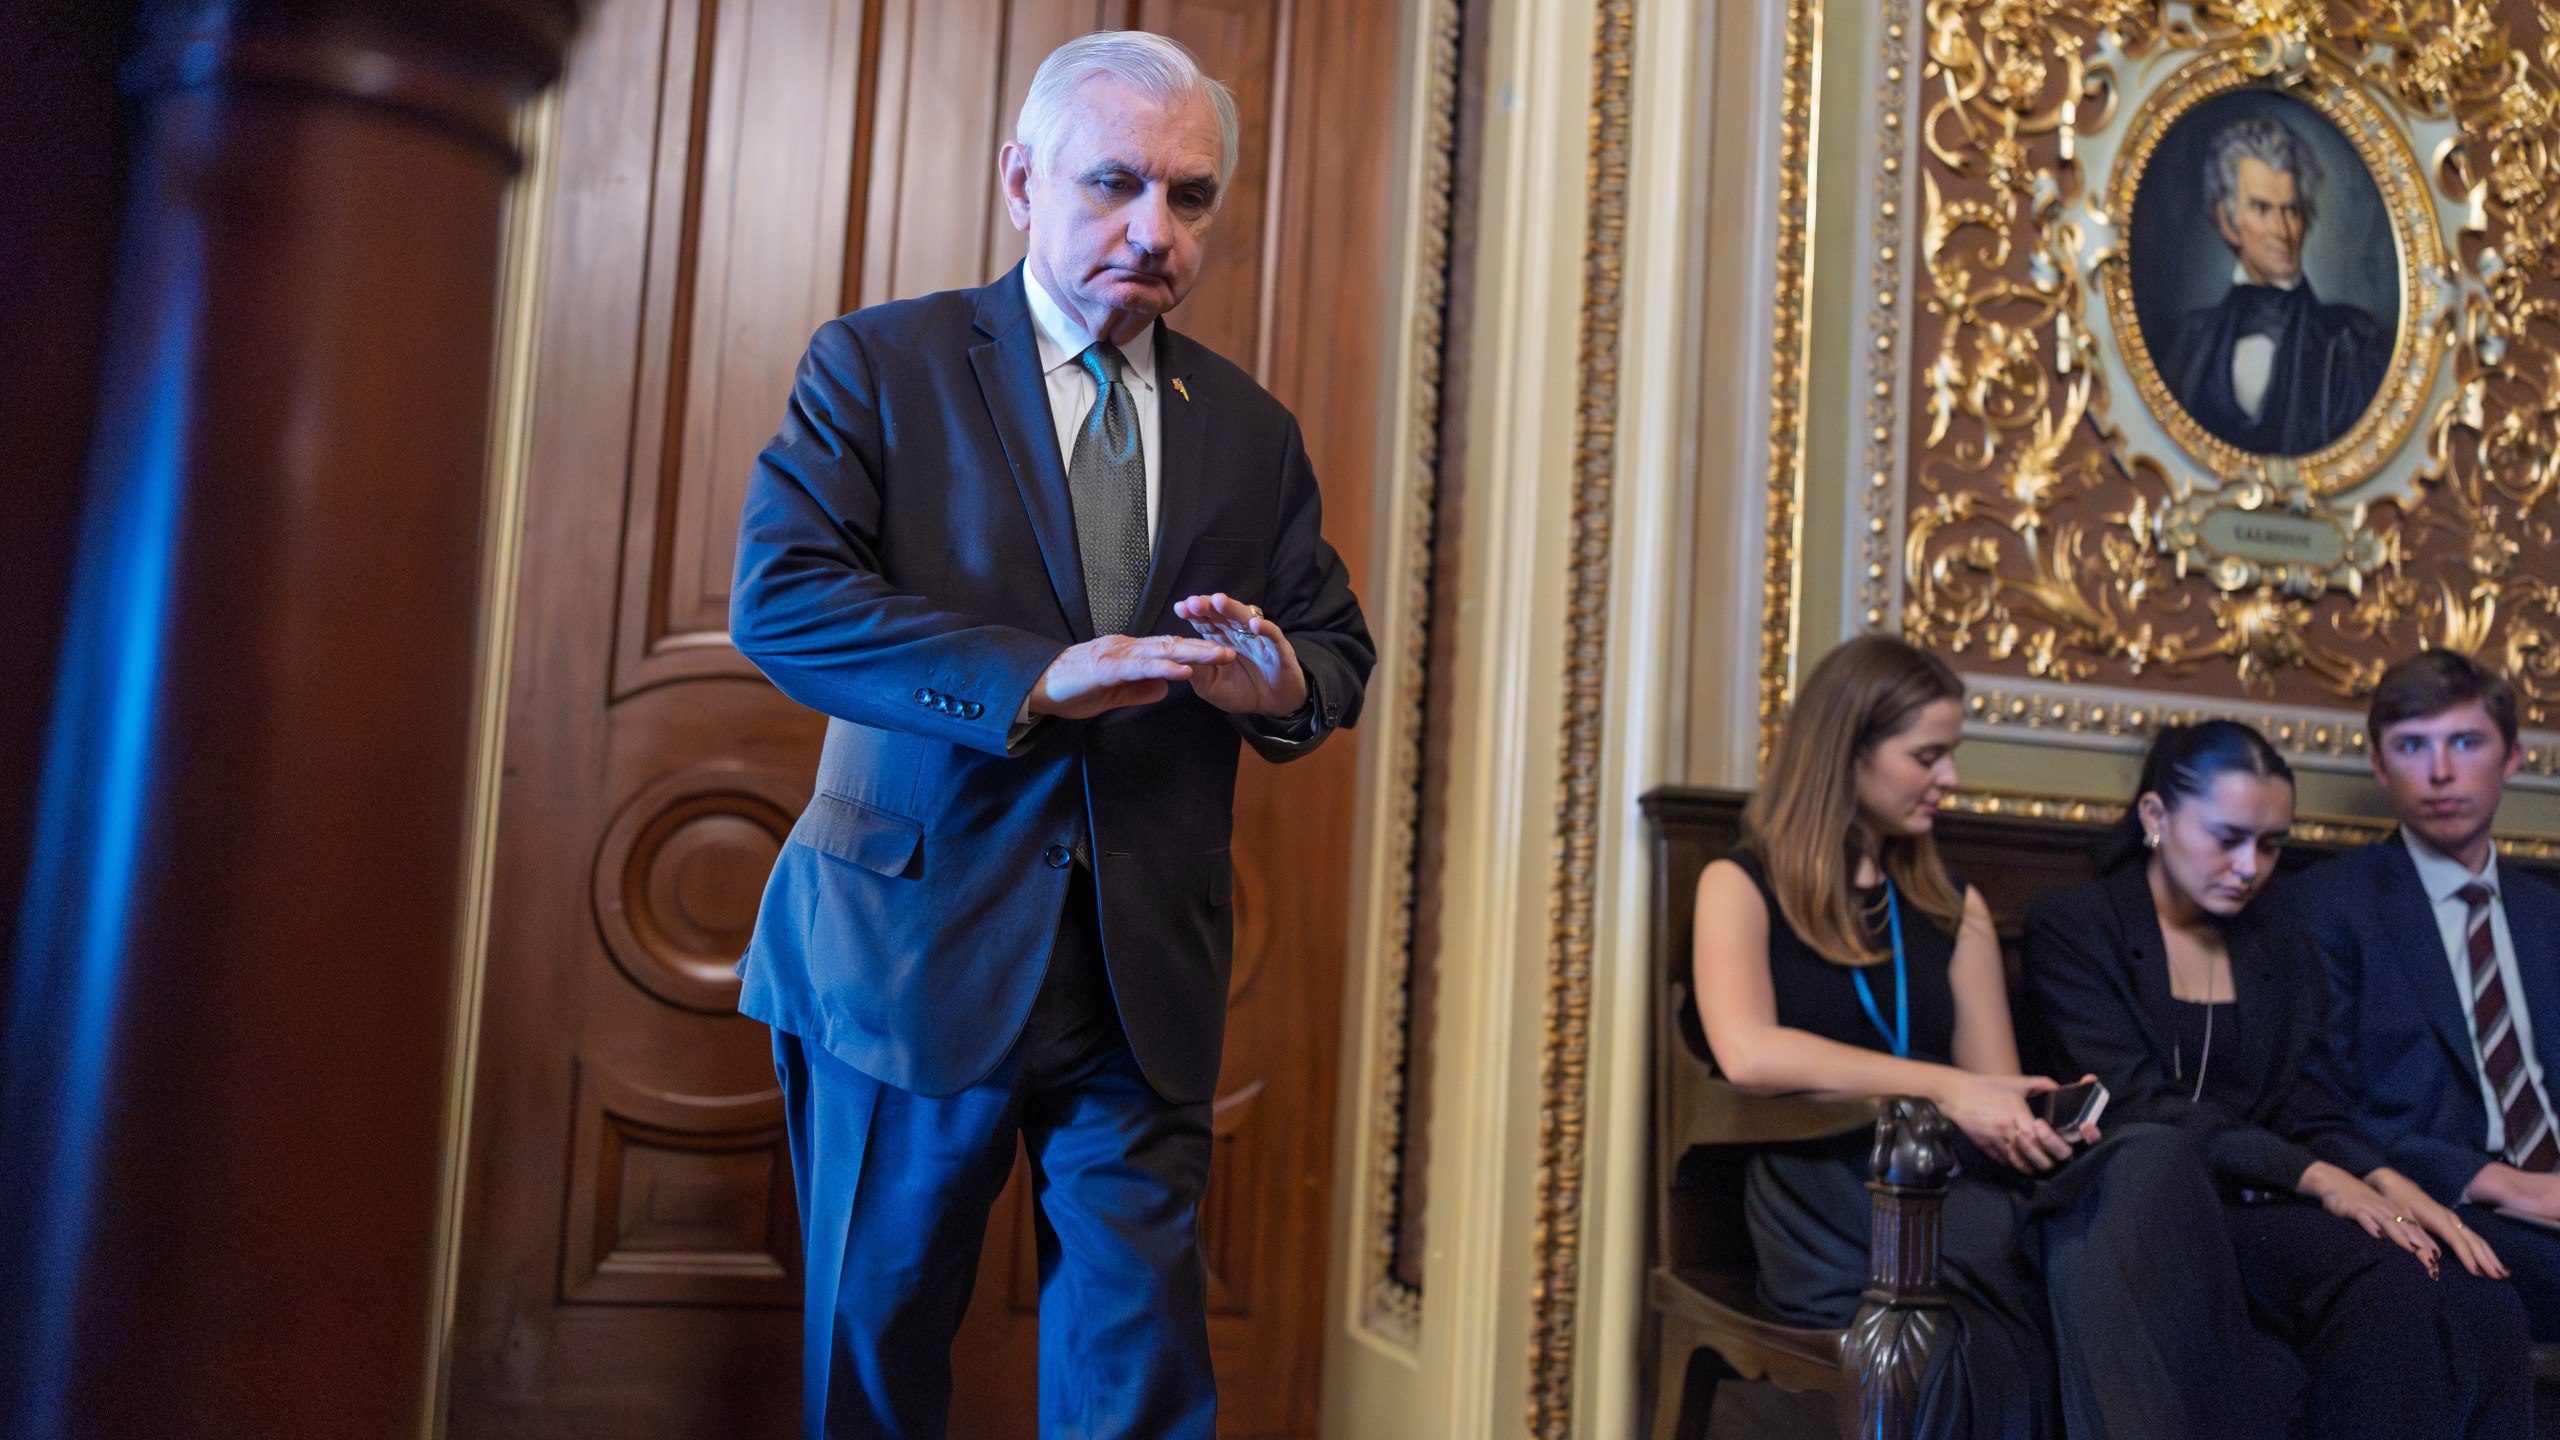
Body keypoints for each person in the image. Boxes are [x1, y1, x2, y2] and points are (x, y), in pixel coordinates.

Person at [727, 32, 1373, 1439]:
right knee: (876, 1356)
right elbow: (783, 604)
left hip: (1142, 982)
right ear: (1022, 181)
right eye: (1116, 185)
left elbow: (1334, 650)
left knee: (1140, 1380)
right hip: (908, 957)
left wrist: (1283, 690)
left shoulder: (1251, 432)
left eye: (1190, 198)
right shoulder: (882, 365)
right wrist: (1037, 679)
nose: (1155, 231)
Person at [1693, 636, 2298, 1440]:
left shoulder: (1953, 905)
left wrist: (2036, 1119)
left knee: (2153, 1156)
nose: (1949, 778)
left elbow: (1996, 1086)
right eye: (1928, 755)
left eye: (1953, 754)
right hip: (1833, 1186)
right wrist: (1941, 1087)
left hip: (1955, 1178)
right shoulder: (1739, 882)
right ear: (1847, 751)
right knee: (2094, 1266)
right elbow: (1749, 1053)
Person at [2024, 720, 2530, 1440]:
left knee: (2477, 1291)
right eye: (2227, 837)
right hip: (2138, 1208)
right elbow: (2132, 1102)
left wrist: (2389, 1181)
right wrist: (2322, 1179)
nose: (2248, 866)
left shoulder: (2279, 936)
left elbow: (2306, 1099)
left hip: (2261, 1204)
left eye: (2269, 845)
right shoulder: (2076, 925)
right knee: (2382, 1283)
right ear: (2155, 817)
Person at [2289, 648, 2560, 1339]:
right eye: (2412, 747)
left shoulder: (2547, 915)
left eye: (2466, 743)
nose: (2441, 772)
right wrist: (2501, 1182)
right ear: (2379, 767)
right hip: (2443, 1200)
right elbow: (2319, 1107)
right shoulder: (2327, 907)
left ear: (2513, 758)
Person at [2166, 114, 2389, 455]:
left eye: (2292, 210)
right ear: (2228, 223)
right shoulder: (2188, 341)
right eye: (2261, 208)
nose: (2282, 232)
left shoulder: (2353, 343)